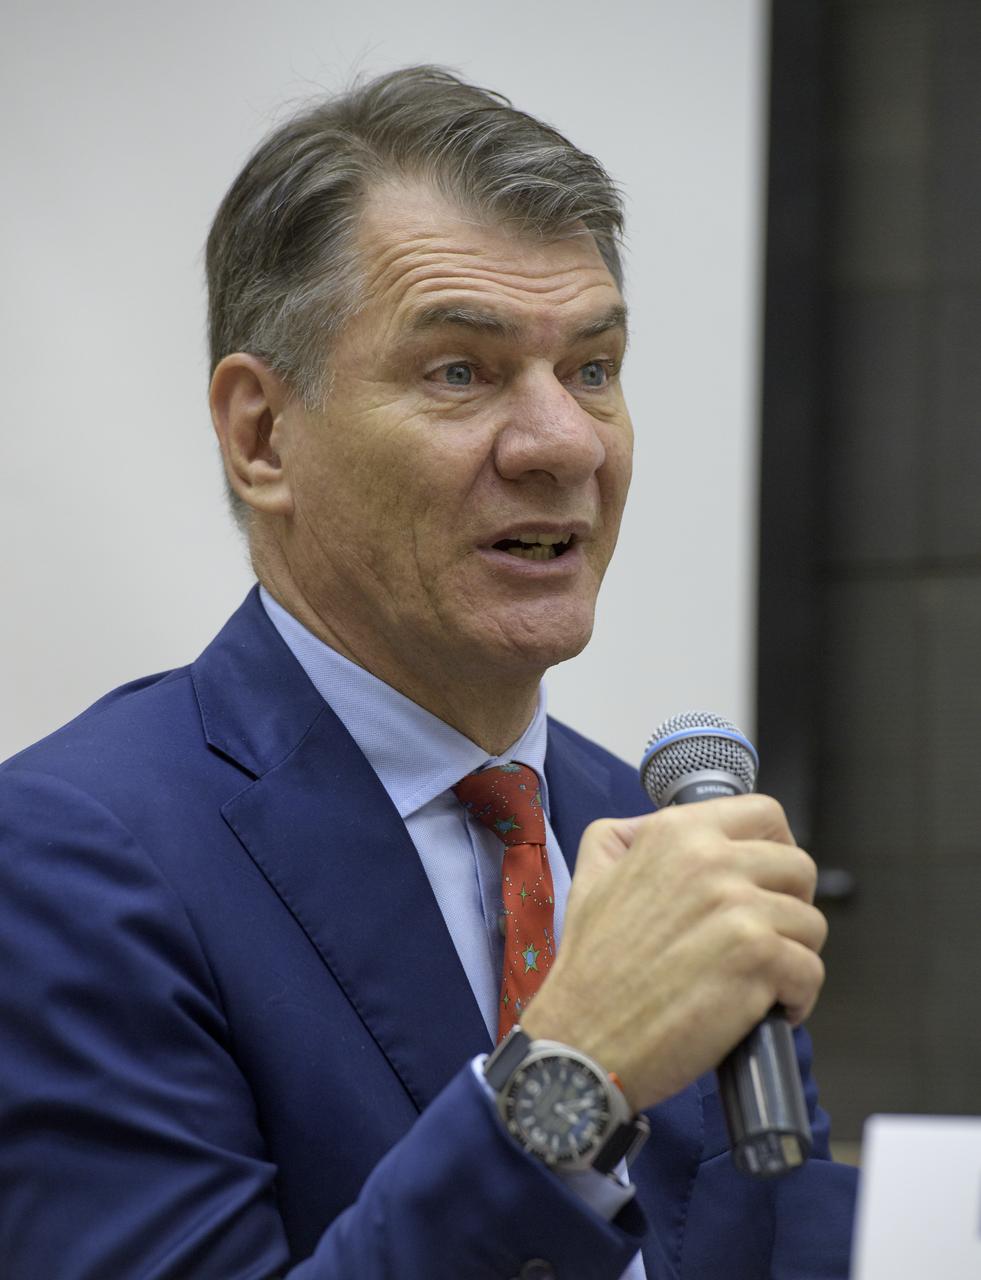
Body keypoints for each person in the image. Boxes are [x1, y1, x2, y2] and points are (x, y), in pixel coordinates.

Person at [0, 66, 857, 1278]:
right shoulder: (66, 860)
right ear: (261, 435)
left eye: (595, 368)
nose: (563, 440)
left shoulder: (656, 837)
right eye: (462, 370)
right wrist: (568, 1072)